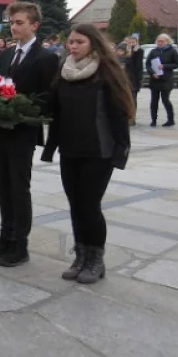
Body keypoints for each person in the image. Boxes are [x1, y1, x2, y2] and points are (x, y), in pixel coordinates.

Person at [42, 24, 132, 284]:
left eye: (79, 42)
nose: (73, 46)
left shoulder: (106, 73)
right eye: (70, 42)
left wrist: (121, 151)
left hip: (99, 151)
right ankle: (81, 255)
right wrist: (50, 148)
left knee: (89, 205)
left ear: (93, 43)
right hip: (70, 149)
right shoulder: (64, 71)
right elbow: (56, 113)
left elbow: (120, 114)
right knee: (75, 205)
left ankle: (96, 259)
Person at [0, 2, 60, 267]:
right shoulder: (6, 55)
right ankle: (5, 237)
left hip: (23, 131)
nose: (13, 27)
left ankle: (20, 244)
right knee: (1, 185)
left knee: (18, 188)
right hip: (1, 129)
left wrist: (21, 106)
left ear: (34, 25)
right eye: (11, 22)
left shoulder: (46, 58)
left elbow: (48, 100)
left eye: (19, 22)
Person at [146, 33, 178, 127]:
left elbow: (177, 64)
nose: (160, 43)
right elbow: (148, 64)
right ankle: (153, 120)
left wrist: (164, 66)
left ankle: (170, 119)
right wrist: (152, 73)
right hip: (155, 80)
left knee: (165, 100)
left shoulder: (172, 51)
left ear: (167, 41)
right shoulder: (153, 51)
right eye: (158, 41)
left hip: (166, 79)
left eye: (162, 41)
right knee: (154, 101)